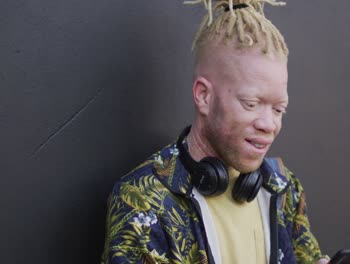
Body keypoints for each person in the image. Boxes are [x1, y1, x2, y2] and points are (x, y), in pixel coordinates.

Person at [101, 1, 329, 263]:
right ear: (204, 96)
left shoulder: (283, 187)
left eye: (279, 109)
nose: (269, 124)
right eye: (251, 104)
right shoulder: (142, 200)